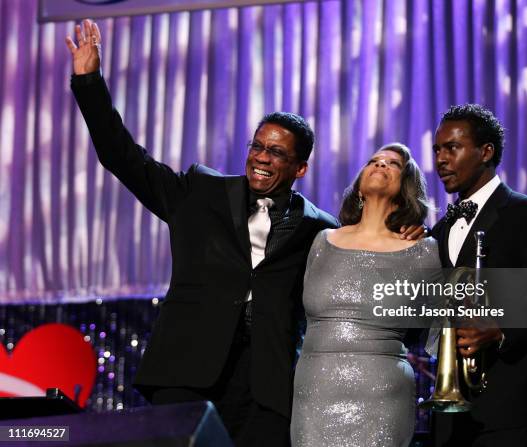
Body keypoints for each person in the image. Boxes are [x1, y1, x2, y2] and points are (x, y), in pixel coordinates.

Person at [64, 19, 424, 446]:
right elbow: (123, 157)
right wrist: (89, 82)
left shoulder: (322, 231)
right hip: (187, 371)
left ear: (300, 168)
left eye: (276, 152)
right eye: (257, 146)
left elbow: (360, 278)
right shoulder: (199, 192)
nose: (261, 158)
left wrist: (402, 238)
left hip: (266, 388)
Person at [430, 104, 527, 447]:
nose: (441, 159)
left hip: (506, 401)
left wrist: (501, 327)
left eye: (452, 148)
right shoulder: (441, 227)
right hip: (451, 408)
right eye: (437, 150)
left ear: (486, 151)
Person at [291, 143, 441, 446]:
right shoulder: (322, 241)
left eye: (393, 164)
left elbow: (441, 334)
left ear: (405, 188)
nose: (381, 165)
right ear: (359, 186)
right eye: (374, 160)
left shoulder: (424, 250)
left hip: (382, 396)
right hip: (313, 392)